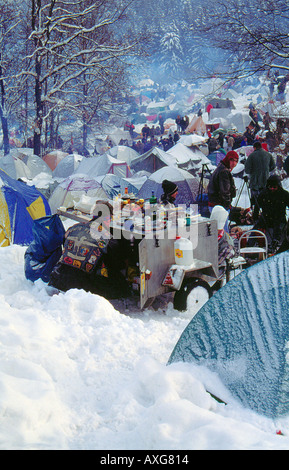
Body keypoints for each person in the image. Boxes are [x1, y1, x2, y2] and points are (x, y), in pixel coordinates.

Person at [49, 201, 132, 299]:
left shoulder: (73, 228)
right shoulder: (107, 238)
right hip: (80, 287)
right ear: (107, 218)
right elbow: (115, 264)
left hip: (58, 278)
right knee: (123, 288)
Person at [253, 175, 289, 249]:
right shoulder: (263, 193)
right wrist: (255, 217)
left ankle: (276, 243)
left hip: (279, 218)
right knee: (255, 231)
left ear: (279, 186)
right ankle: (248, 246)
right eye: (270, 187)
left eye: (274, 187)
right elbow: (257, 206)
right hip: (266, 218)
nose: (272, 189)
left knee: (278, 229)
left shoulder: (284, 194)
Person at [207, 150, 239, 231]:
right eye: (232, 160)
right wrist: (227, 205)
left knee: (219, 230)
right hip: (220, 206)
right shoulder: (224, 171)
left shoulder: (221, 167)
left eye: (236, 161)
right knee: (222, 232)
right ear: (228, 159)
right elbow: (225, 192)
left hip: (215, 204)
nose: (234, 163)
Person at [244, 140, 276, 219]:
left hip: (254, 182)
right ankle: (265, 217)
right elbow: (273, 167)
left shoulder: (251, 156)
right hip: (266, 181)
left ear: (254, 147)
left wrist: (253, 171)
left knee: (255, 201)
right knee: (265, 199)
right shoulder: (268, 155)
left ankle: (255, 217)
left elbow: (247, 170)